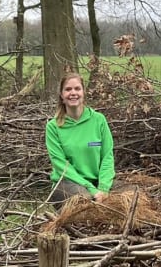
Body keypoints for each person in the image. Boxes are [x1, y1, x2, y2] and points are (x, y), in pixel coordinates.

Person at [45, 72, 115, 207]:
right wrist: (92, 190)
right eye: (68, 89)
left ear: (83, 92)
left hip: (97, 182)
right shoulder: (53, 127)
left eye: (77, 88)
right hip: (67, 183)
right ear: (61, 95)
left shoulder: (99, 120)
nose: (73, 93)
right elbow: (61, 166)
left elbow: (107, 156)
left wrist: (104, 188)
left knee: (132, 194)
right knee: (84, 201)